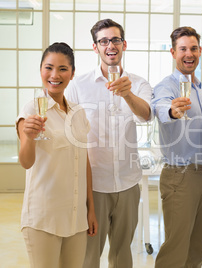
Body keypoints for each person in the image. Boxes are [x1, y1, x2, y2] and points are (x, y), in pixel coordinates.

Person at [65, 19, 152, 267]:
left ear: (123, 44)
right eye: (103, 41)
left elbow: (145, 115)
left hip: (128, 183)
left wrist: (127, 94)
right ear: (96, 48)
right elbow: (67, 129)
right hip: (93, 187)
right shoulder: (78, 86)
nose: (110, 45)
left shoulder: (138, 83)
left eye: (115, 40)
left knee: (123, 255)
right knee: (89, 256)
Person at [16, 42, 98, 268]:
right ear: (41, 70)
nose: (55, 75)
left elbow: (84, 163)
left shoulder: (78, 113)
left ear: (72, 74)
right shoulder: (31, 110)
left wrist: (90, 208)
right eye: (48, 67)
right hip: (44, 218)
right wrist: (30, 136)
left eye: (62, 69)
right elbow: (26, 161)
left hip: (75, 218)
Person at [151, 26, 202, 268]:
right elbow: (161, 108)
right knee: (175, 251)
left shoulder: (199, 88)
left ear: (200, 51)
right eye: (183, 49)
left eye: (193, 48)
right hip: (180, 176)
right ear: (173, 52)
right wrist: (172, 111)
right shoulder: (166, 86)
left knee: (199, 246)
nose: (189, 54)